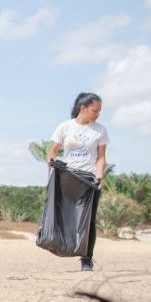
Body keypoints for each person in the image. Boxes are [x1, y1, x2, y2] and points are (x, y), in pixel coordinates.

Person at [47, 92, 109, 272]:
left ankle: (86, 259)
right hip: (67, 176)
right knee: (63, 215)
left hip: (89, 179)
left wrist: (99, 175)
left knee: (88, 220)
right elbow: (52, 152)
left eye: (99, 111)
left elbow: (101, 157)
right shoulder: (65, 127)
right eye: (94, 110)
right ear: (83, 108)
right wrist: (51, 170)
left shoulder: (100, 130)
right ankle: (59, 245)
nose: (97, 114)